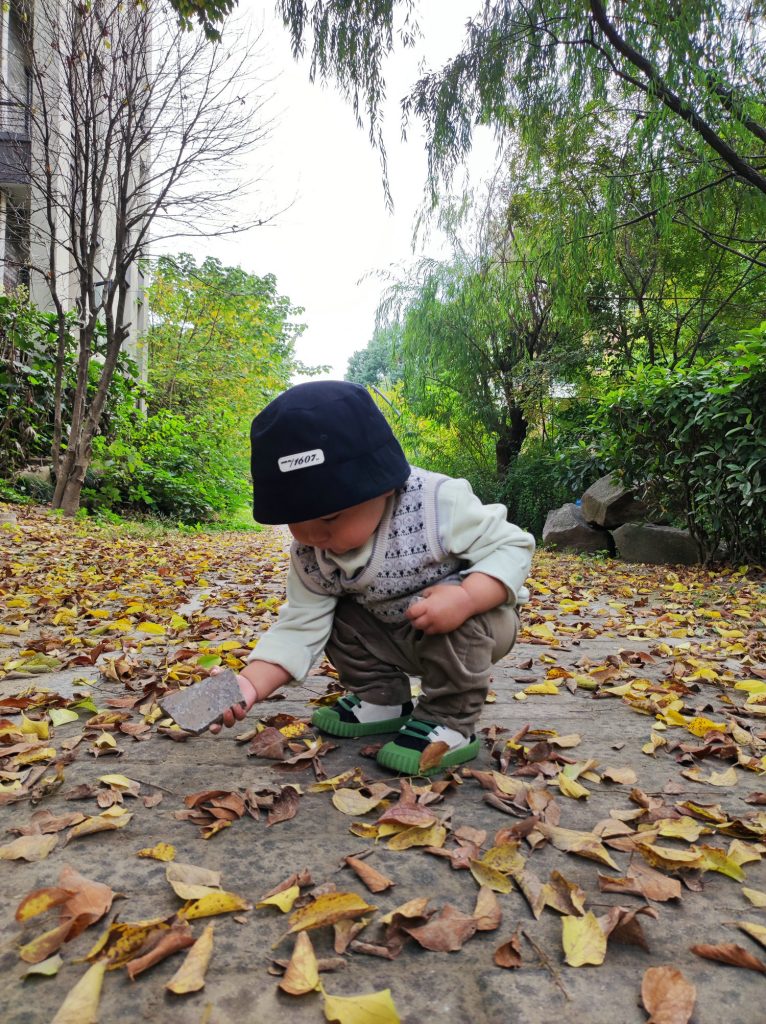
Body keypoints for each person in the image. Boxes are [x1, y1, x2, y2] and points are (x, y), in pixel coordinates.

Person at [214, 380, 535, 774]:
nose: (313, 535)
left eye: (330, 517)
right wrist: (248, 685)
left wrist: (469, 597)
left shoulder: (436, 503)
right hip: (390, 633)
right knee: (334, 615)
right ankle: (382, 699)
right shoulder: (312, 555)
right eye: (296, 520)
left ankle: (450, 721)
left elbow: (512, 546)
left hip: (476, 629)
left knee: (462, 617)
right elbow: (300, 625)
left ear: (384, 486)